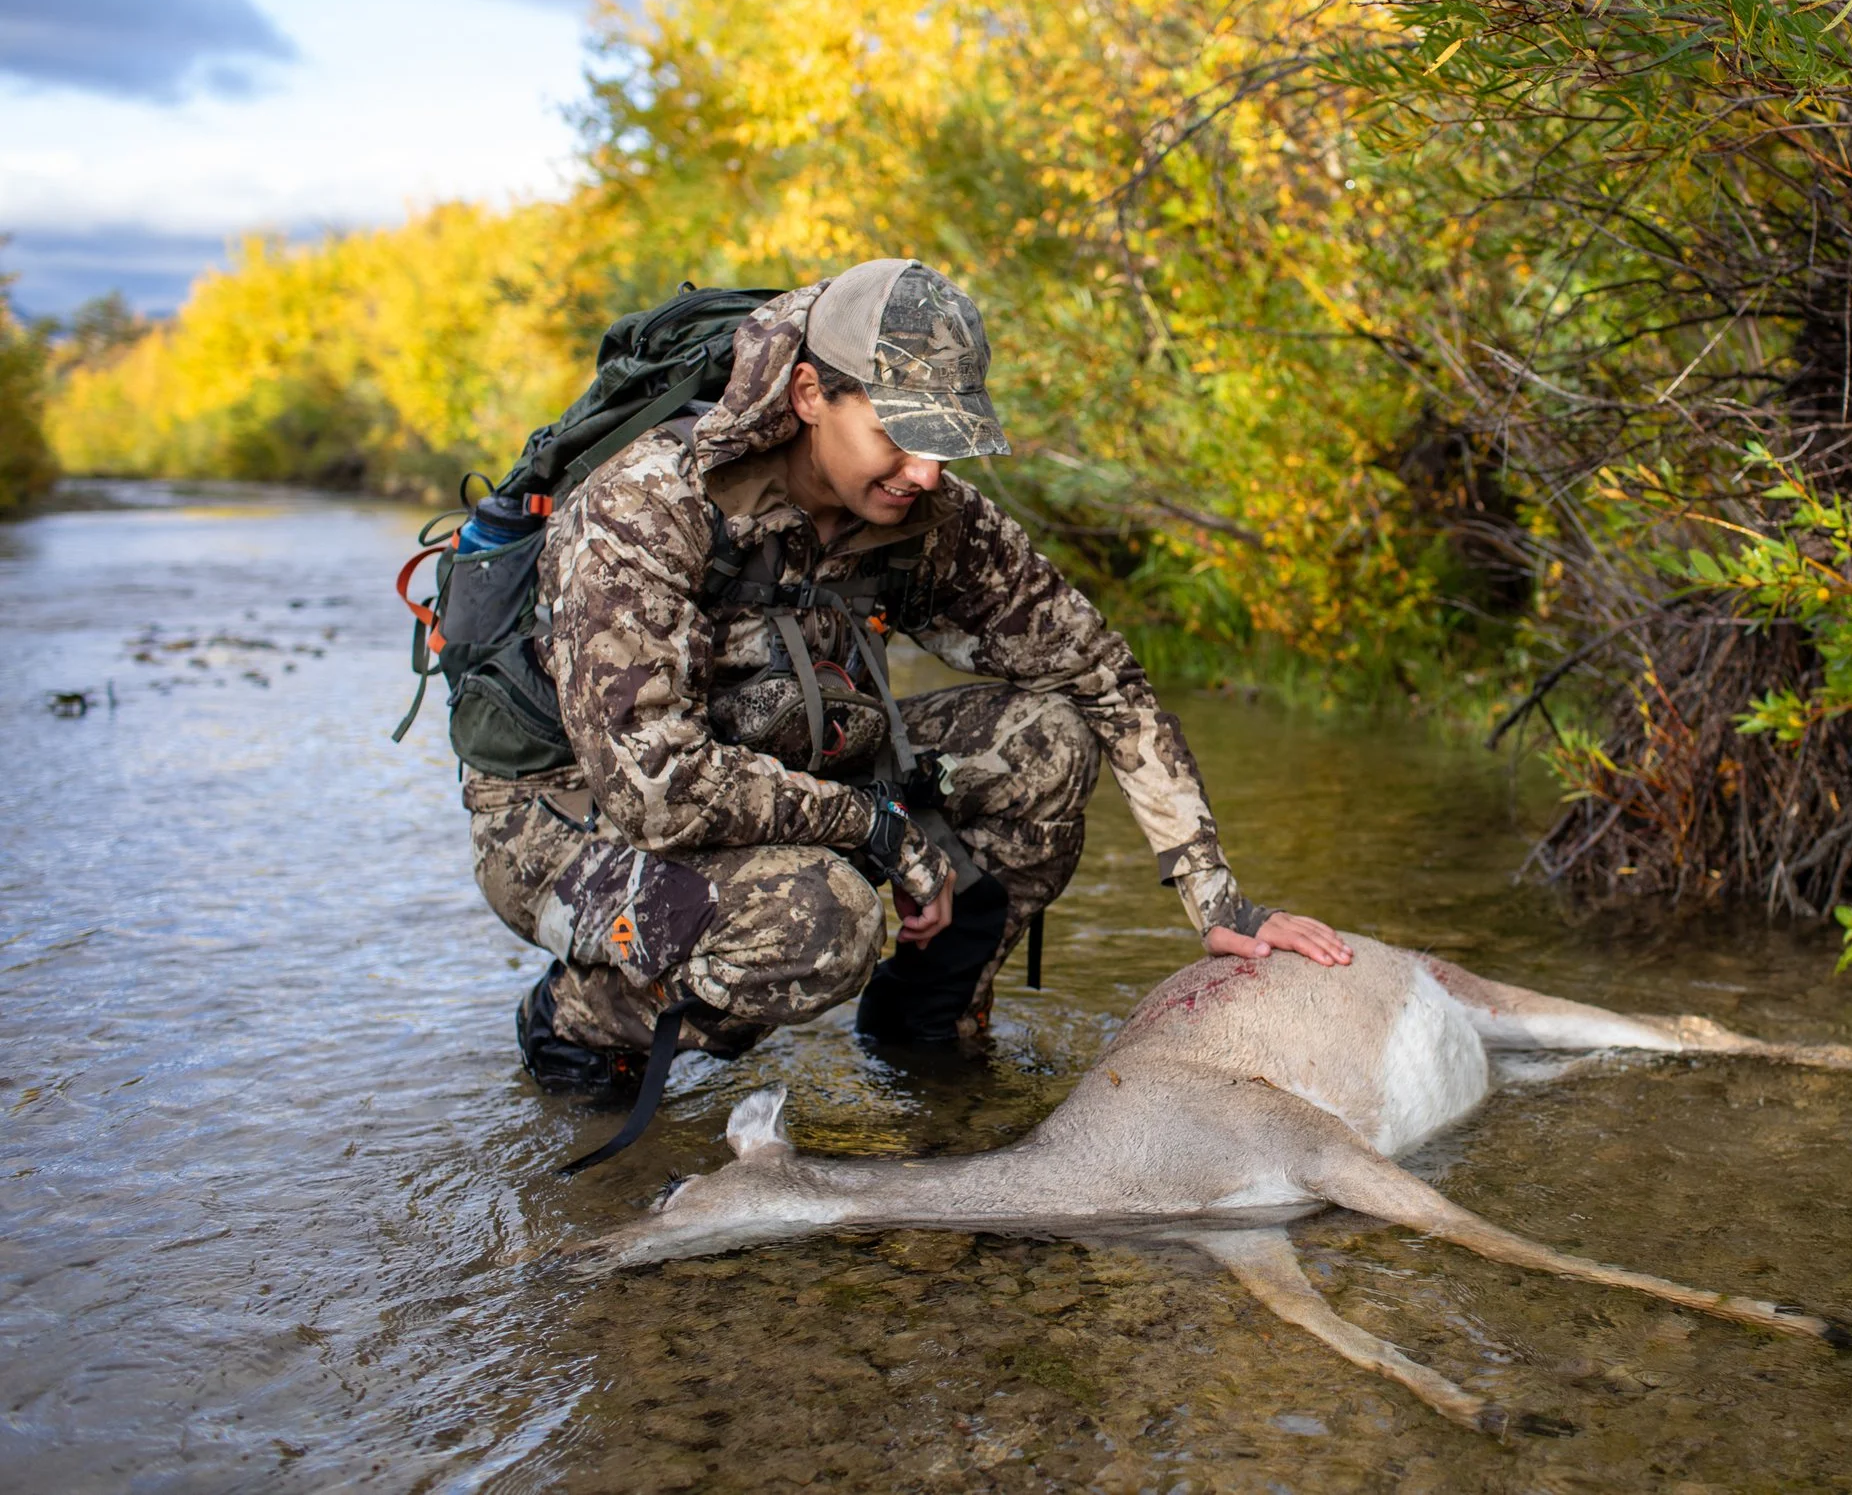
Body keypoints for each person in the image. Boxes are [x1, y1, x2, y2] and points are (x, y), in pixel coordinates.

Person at [463, 260, 1350, 1092]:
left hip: (786, 766)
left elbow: (1103, 675)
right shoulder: (648, 505)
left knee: (1046, 745)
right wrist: (884, 833)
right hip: (568, 818)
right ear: (812, 395)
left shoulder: (927, 513)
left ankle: (922, 1030)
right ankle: (584, 1020)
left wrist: (1217, 895)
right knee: (819, 922)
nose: (927, 473)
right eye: (900, 436)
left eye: (946, 443)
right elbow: (654, 789)